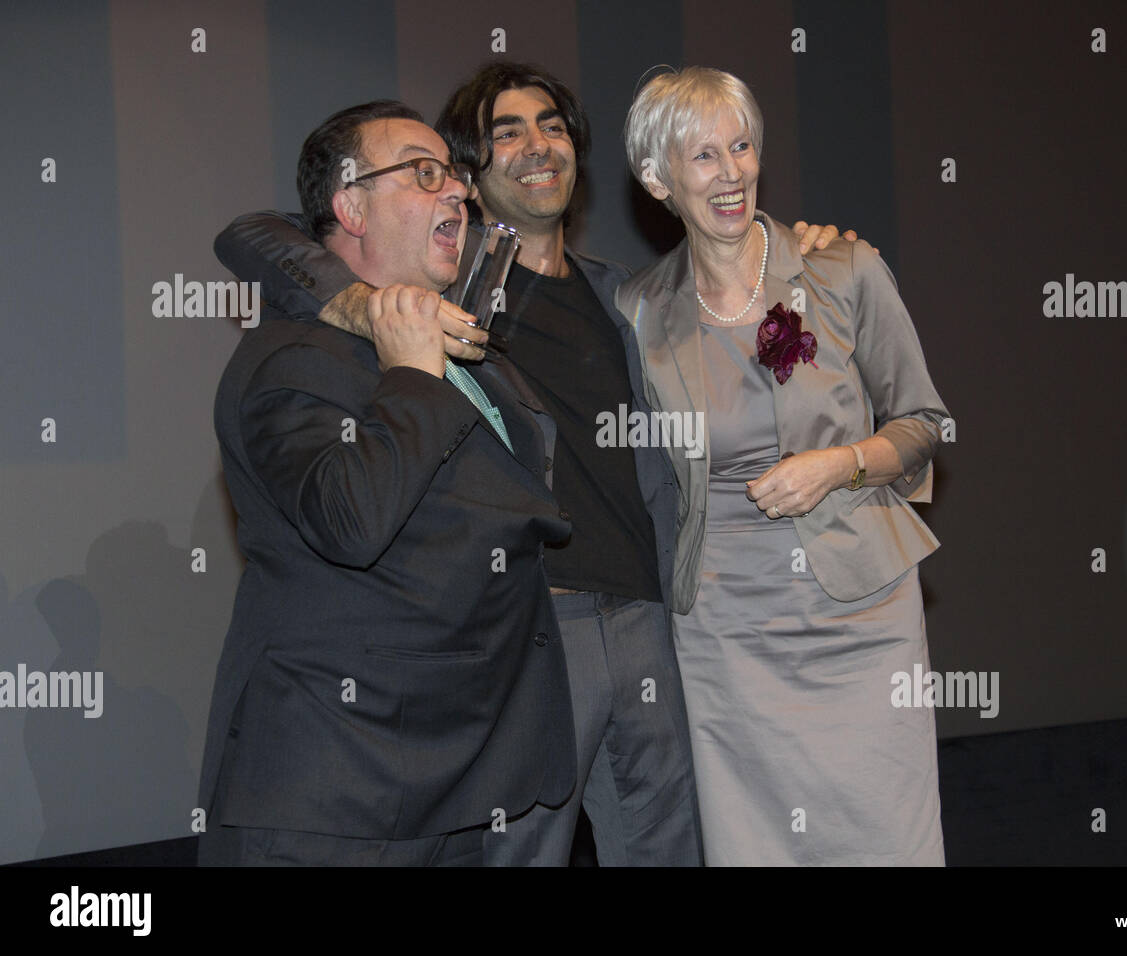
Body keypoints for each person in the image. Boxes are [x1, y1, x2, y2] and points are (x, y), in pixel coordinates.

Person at [212, 62, 851, 866]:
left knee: (669, 845)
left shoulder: (632, 298)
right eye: (504, 132)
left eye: (551, 125)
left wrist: (807, 251)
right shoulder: (455, 294)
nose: (537, 144)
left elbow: (743, 282)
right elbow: (254, 234)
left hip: (647, 615)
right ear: (472, 176)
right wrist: (357, 298)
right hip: (537, 624)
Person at [198, 100, 576, 865]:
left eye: (457, 178)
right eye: (424, 173)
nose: (459, 194)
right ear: (349, 204)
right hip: (340, 796)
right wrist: (409, 371)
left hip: (456, 785)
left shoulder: (467, 348)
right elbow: (351, 519)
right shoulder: (290, 359)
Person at [617, 67, 950, 865]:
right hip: (727, 632)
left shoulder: (843, 271)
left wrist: (841, 463)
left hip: (861, 616)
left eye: (741, 146)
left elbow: (925, 423)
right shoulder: (637, 310)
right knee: (757, 841)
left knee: (887, 835)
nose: (731, 172)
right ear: (658, 179)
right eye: (703, 157)